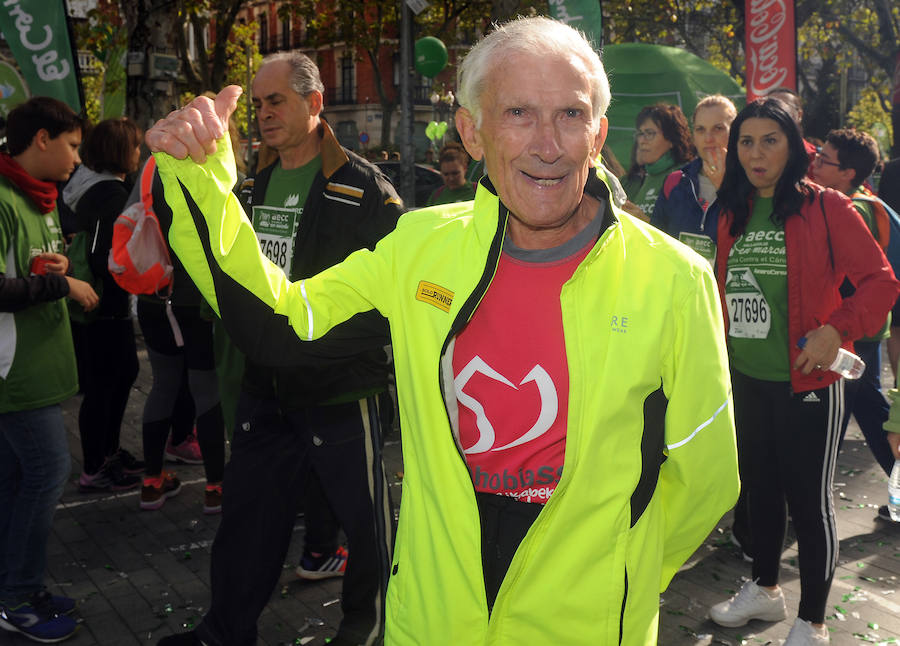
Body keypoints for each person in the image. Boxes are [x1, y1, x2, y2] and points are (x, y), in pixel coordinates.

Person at [147, 17, 739, 645]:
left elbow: (707, 476)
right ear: (471, 132)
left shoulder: (676, 280)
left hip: (587, 624)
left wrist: (625, 570)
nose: (549, 145)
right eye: (517, 113)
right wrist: (202, 185)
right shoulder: (420, 248)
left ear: (598, 134)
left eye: (571, 115)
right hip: (436, 617)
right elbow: (283, 324)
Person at [156, 51, 401, 646]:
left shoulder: (367, 189)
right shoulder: (247, 184)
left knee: (369, 530)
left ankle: (370, 633)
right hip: (265, 387)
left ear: (316, 104)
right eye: (258, 104)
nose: (263, 114)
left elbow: (391, 301)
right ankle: (223, 632)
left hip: (344, 390)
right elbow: (220, 272)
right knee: (247, 522)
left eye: (277, 101)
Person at [707, 99, 899, 645]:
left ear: (793, 146)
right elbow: (723, 294)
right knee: (760, 492)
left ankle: (813, 621)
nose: (757, 152)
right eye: (747, 141)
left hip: (809, 384)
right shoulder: (731, 211)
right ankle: (765, 589)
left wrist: (835, 329)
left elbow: (881, 282)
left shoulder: (828, 207)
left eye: (771, 140)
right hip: (748, 380)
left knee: (809, 504)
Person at [0, 96, 97, 643]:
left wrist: (52, 266)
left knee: (16, 481)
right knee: (45, 474)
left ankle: (16, 587)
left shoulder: (37, 197)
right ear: (42, 139)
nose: (75, 159)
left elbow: (24, 268)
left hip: (35, 370)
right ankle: (17, 598)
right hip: (14, 374)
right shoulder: (3, 199)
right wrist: (63, 283)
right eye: (72, 145)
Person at [133, 153, 227, 514]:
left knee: (163, 385)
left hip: (154, 297)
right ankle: (216, 488)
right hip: (193, 302)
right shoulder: (208, 175)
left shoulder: (149, 172)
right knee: (206, 391)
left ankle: (152, 483)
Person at [812, 129, 897, 502]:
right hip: (866, 330)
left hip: (850, 331)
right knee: (859, 407)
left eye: (823, 160)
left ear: (847, 173)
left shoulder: (848, 211)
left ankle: (811, 495)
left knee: (854, 409)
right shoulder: (870, 203)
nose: (813, 164)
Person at [62, 117, 145, 493]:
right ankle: (96, 464)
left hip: (98, 304)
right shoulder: (110, 194)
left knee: (118, 376)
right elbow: (101, 255)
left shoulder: (86, 186)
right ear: (119, 151)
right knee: (107, 384)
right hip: (103, 305)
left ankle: (107, 453)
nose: (139, 153)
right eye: (135, 146)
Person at [650, 95, 737, 264]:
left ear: (735, 132)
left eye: (718, 128)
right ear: (693, 136)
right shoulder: (675, 181)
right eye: (700, 129)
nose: (708, 138)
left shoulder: (752, 181)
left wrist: (724, 187)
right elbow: (657, 242)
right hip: (681, 286)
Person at [621, 103, 694, 222]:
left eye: (650, 133)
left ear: (671, 139)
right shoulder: (634, 180)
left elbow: (685, 233)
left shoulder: (686, 178)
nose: (642, 141)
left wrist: (645, 223)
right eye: (640, 133)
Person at [878, 156, 900, 376]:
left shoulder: (891, 168)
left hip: (894, 253)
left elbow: (882, 207)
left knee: (896, 329)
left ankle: (898, 384)